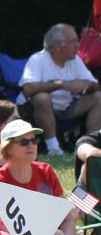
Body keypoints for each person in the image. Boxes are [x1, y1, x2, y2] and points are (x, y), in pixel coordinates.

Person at [18, 23, 101, 153]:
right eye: (73, 42)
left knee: (98, 97)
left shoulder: (75, 60)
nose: (78, 45)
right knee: (41, 97)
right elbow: (28, 89)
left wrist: (86, 84)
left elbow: (96, 86)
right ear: (58, 46)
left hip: (66, 107)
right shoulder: (38, 59)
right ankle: (54, 149)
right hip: (34, 112)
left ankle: (91, 144)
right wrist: (60, 84)